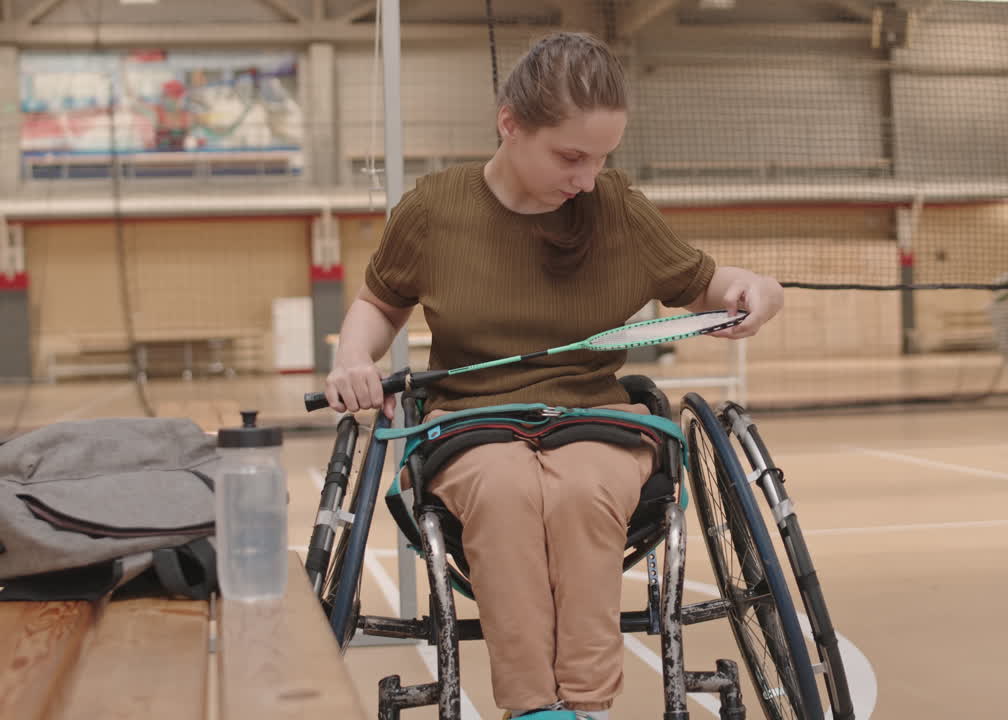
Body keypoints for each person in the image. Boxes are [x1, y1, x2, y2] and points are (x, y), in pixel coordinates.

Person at [324, 31, 783, 720]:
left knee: (583, 491)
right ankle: (535, 708)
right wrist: (352, 357)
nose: (587, 178)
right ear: (510, 124)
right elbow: (378, 304)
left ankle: (588, 707)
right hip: (470, 423)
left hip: (596, 418)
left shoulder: (616, 209)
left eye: (602, 158)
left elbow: (712, 285)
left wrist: (759, 290)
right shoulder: (433, 209)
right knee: (505, 491)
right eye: (571, 156)